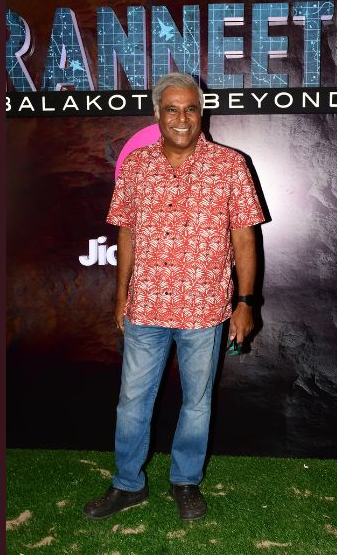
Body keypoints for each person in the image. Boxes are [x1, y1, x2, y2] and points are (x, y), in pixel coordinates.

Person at [83, 73, 265, 521]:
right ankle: (128, 484)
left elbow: (245, 239)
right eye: (171, 109)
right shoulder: (137, 165)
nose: (182, 118)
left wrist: (246, 303)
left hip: (205, 310)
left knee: (197, 403)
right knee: (132, 403)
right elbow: (127, 233)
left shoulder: (230, 165)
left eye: (190, 109)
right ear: (157, 114)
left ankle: (185, 481)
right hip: (146, 307)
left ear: (202, 113)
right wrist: (121, 297)